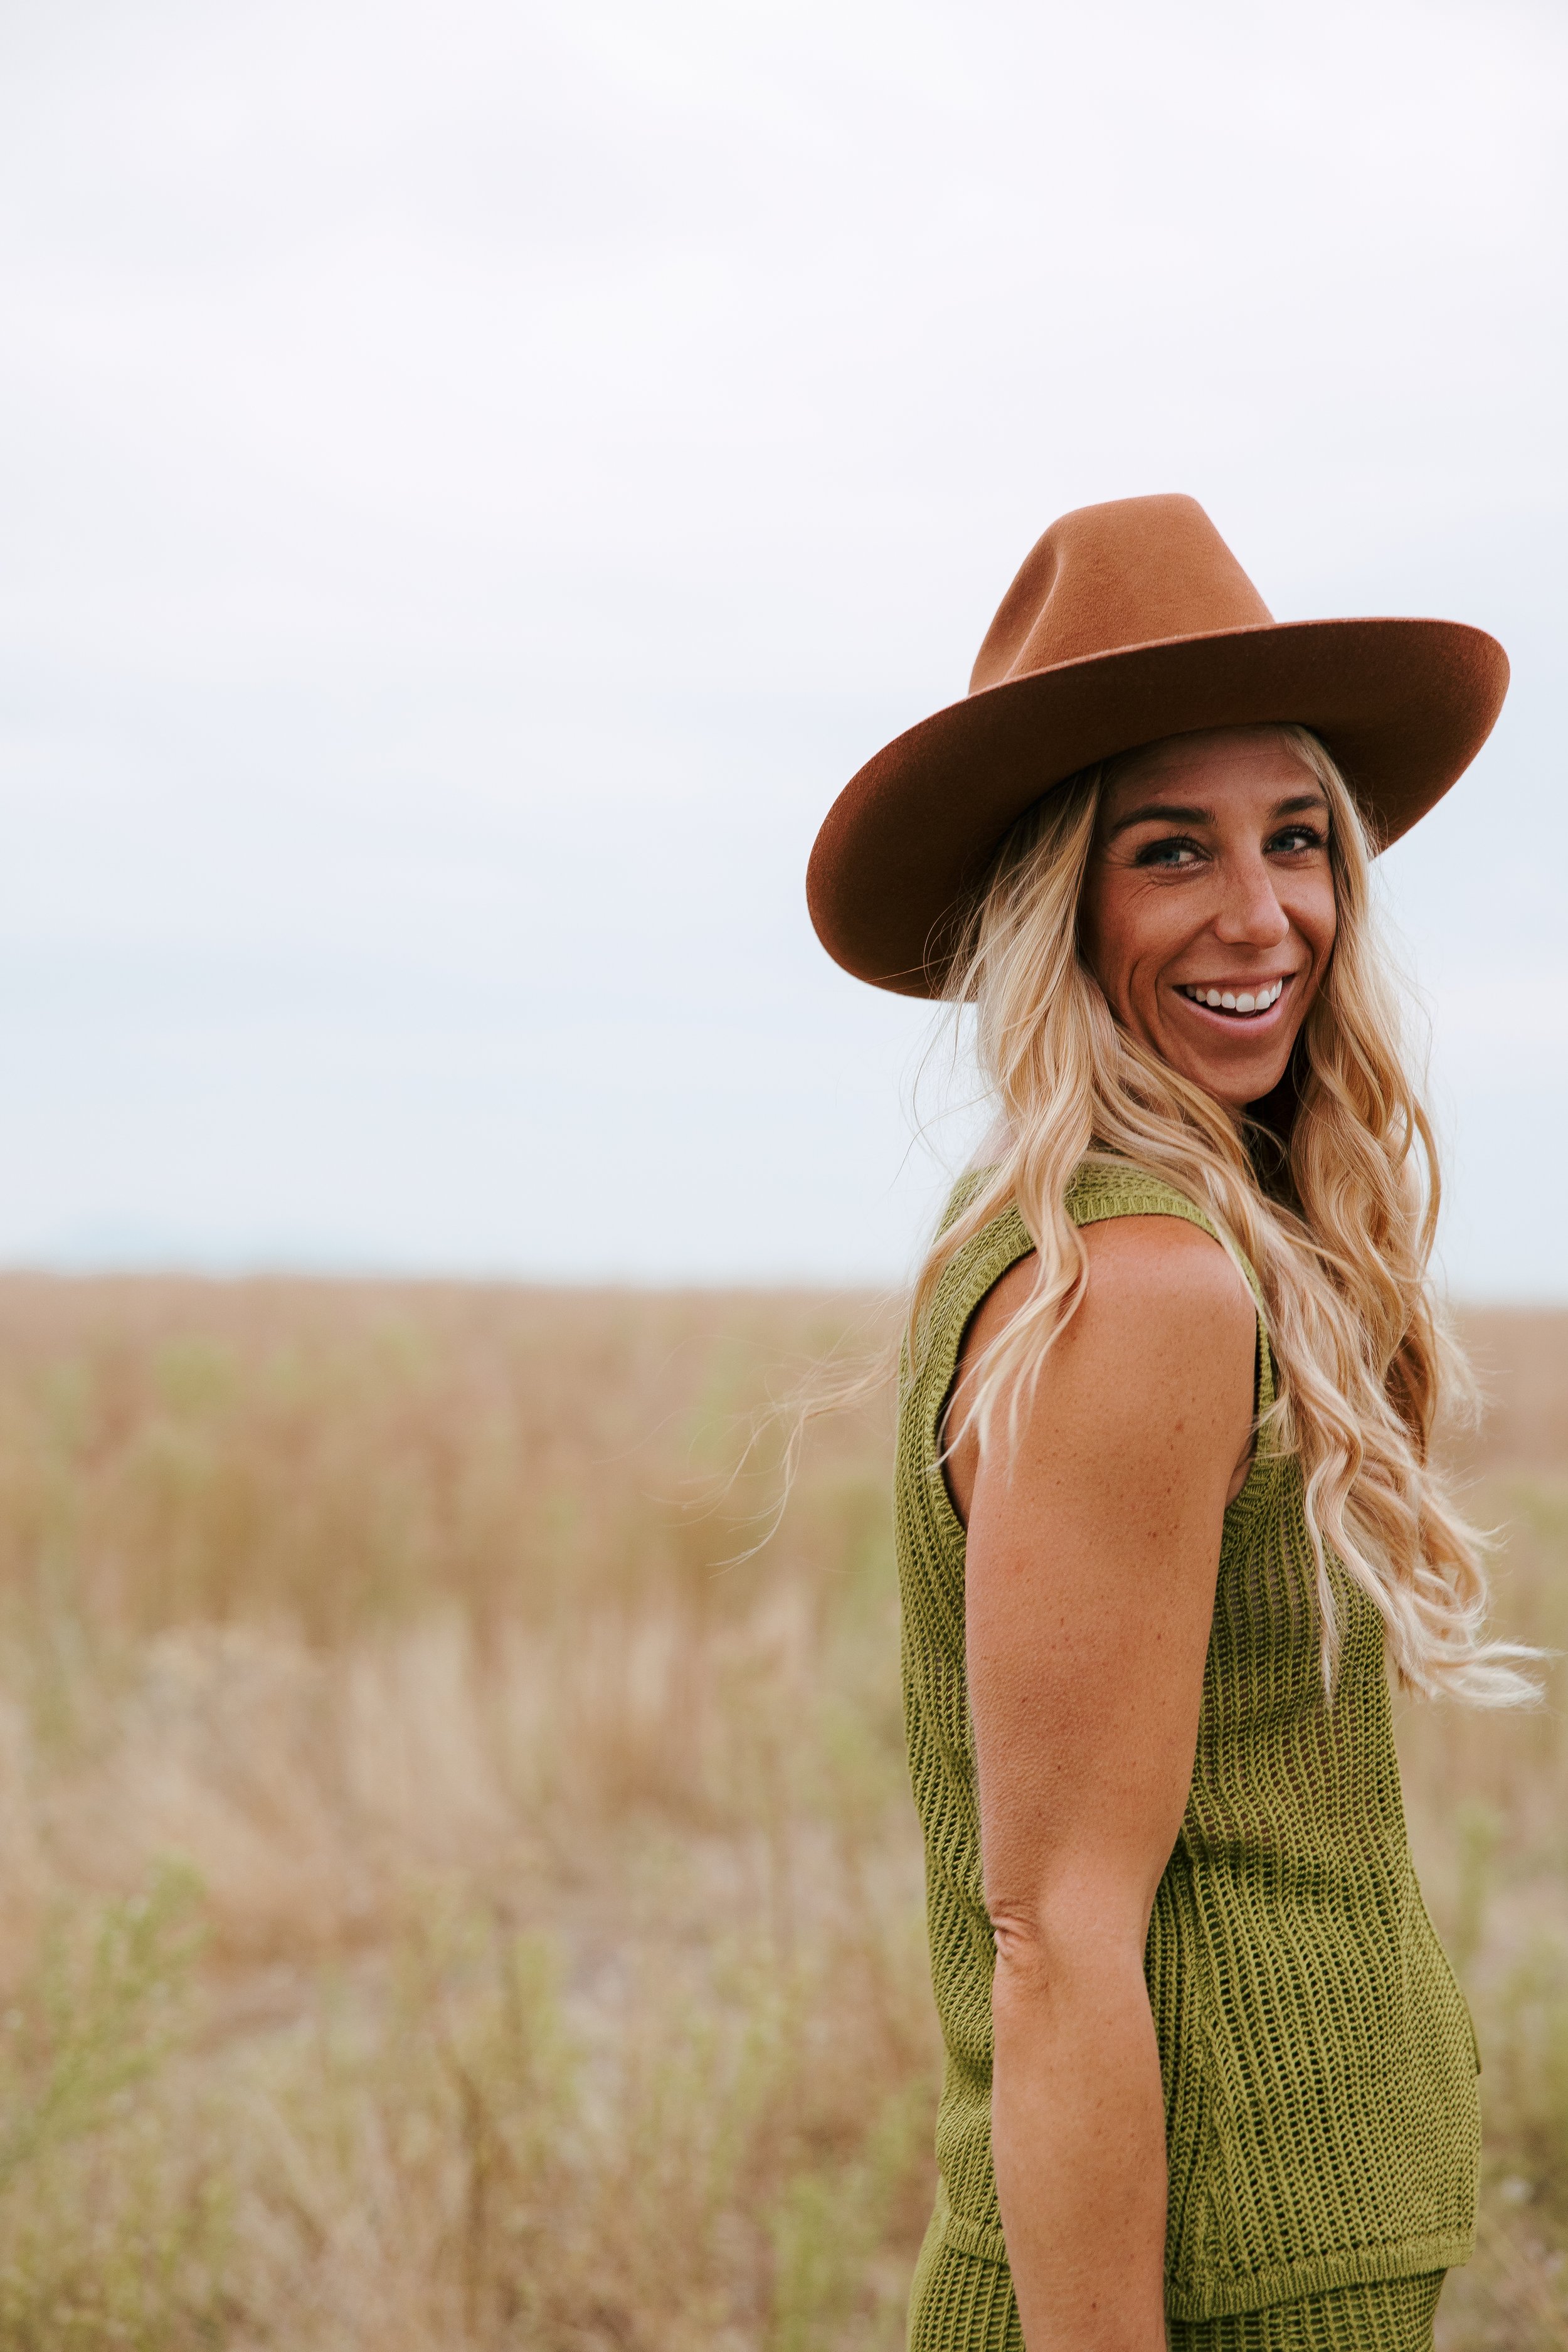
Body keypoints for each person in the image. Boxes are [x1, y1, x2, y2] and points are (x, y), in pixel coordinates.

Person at [805, 495, 1534, 2352]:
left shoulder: (1113, 1238)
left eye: (1296, 837)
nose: (1261, 915)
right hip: (1213, 2285)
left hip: (1282, 2248)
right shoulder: (1140, 1291)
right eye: (1169, 851)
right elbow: (1053, 1938)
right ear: (1059, 906)